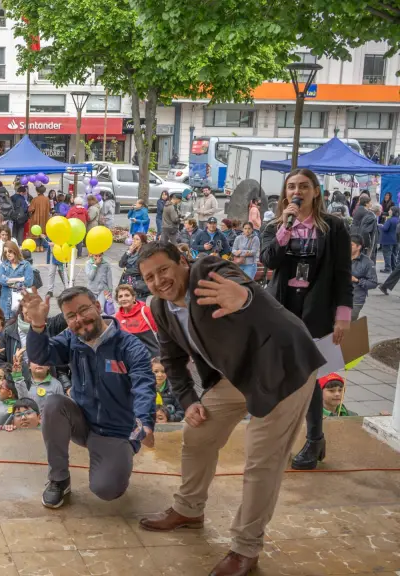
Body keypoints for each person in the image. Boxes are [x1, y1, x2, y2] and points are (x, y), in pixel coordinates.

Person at [137, 241, 325, 576]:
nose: (158, 281)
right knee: (197, 432)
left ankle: (245, 548)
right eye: (150, 277)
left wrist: (246, 299)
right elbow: (172, 359)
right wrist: (188, 400)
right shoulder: (160, 307)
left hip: (282, 365)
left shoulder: (209, 270)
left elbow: (249, 292)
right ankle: (189, 510)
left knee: (261, 459)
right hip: (238, 373)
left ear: (182, 261)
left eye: (164, 269)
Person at [24, 286, 155, 508]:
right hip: (84, 423)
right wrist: (37, 325)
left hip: (116, 431)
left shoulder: (129, 346)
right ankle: (59, 479)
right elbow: (41, 355)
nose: (79, 319)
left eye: (83, 310)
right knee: (54, 404)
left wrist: (144, 422)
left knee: (106, 489)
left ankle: (114, 458)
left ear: (97, 306)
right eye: (71, 316)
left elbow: (144, 384)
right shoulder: (71, 340)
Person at [259, 168, 352, 471]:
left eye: (303, 186)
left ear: (315, 192)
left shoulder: (334, 227)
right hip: (282, 307)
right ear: (285, 193)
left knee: (309, 376)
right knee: (284, 375)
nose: (296, 191)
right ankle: (286, 437)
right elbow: (269, 260)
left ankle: (314, 439)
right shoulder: (275, 225)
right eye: (291, 187)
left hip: (317, 308)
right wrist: (286, 227)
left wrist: (343, 317)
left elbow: (341, 275)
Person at [112, 284, 158, 357]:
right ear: (118, 300)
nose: (123, 298)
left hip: (153, 358)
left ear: (133, 298)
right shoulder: (117, 317)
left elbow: (160, 332)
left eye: (127, 295)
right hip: (134, 360)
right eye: (120, 296)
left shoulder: (145, 311)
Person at [0, 241, 34, 320]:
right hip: (5, 304)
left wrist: (8, 281)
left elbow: (28, 282)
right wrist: (19, 279)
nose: (8, 254)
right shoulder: (3, 265)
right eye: (5, 252)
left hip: (20, 303)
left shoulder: (25, 265)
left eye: (10, 251)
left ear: (15, 250)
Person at [349, 235, 377, 320]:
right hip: (339, 297)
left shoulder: (367, 263)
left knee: (348, 323)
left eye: (351, 245)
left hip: (356, 299)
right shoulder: (342, 258)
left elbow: (373, 283)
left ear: (359, 247)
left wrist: (356, 280)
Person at [151, 357, 183, 423]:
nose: (159, 375)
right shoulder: (144, 390)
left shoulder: (174, 389)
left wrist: (168, 418)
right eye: (156, 371)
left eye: (163, 371)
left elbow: (181, 411)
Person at [379, 206, 399, 274]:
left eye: (390, 210)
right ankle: (394, 268)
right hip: (396, 240)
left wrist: (380, 226)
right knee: (394, 254)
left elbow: (385, 228)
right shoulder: (398, 220)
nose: (389, 211)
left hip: (387, 240)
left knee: (387, 254)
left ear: (393, 211)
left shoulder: (389, 220)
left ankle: (387, 268)